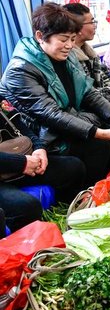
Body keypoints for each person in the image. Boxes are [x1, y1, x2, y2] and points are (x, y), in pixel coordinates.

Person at [0, 3, 110, 184]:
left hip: (67, 122)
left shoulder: (66, 58)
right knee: (99, 145)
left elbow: (88, 93)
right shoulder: (20, 71)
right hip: (43, 136)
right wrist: (101, 133)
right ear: (40, 36)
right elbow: (50, 114)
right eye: (63, 39)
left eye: (73, 39)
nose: (69, 45)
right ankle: (89, 194)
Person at [0, 97, 85, 232]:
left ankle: (71, 216)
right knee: (26, 206)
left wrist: (39, 148)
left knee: (73, 167)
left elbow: (20, 127)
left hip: (18, 159)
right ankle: (23, 244)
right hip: (11, 166)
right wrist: (21, 163)